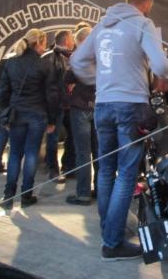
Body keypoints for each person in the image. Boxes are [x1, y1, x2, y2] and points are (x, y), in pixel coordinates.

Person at [70, 0, 168, 261]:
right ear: (147, 2)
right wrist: (166, 75)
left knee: (105, 171)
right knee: (127, 173)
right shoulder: (143, 23)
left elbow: (77, 61)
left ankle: (109, 230)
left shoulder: (102, 25)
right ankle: (112, 243)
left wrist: (100, 80)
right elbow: (162, 66)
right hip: (131, 105)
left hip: (103, 105)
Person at [0, 29, 57, 209]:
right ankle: (26, 195)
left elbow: (3, 92)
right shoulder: (44, 64)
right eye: (44, 43)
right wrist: (52, 119)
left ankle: (8, 195)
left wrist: (5, 114)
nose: (45, 47)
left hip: (16, 114)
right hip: (37, 114)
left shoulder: (11, 62)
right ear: (38, 43)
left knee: (15, 153)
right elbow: (51, 94)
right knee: (31, 153)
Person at [65, 25, 98, 205]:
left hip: (80, 107)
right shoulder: (103, 54)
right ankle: (101, 190)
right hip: (99, 106)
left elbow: (67, 79)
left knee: (83, 153)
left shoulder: (78, 57)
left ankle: (83, 193)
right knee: (100, 151)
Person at [43, 29, 73, 181]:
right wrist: (51, 114)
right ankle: (53, 170)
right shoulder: (52, 58)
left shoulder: (68, 56)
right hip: (58, 104)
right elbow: (52, 87)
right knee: (53, 138)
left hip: (67, 103)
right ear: (67, 41)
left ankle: (68, 166)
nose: (73, 41)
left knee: (70, 135)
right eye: (72, 38)